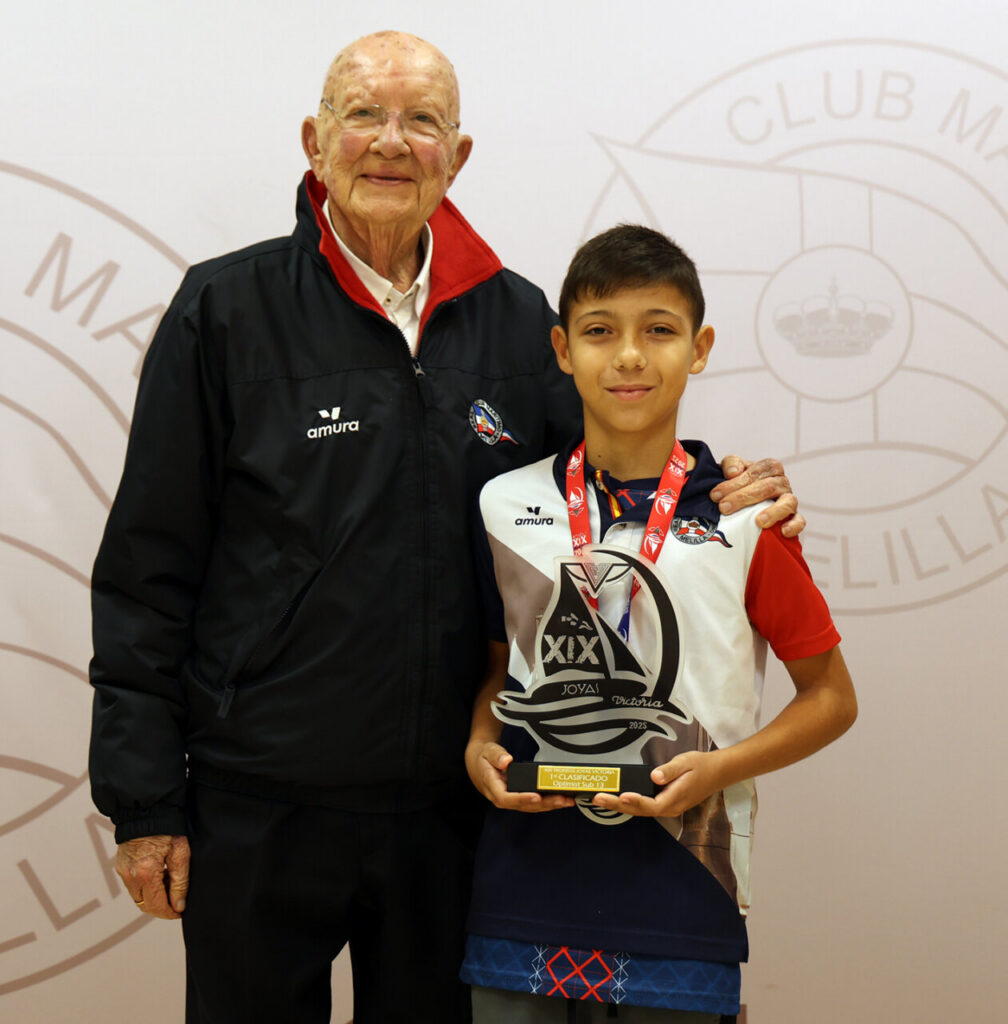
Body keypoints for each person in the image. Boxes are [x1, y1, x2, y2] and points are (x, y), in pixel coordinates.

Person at [88, 31, 804, 1024]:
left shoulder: (518, 325)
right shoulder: (226, 311)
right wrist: (146, 802)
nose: (391, 142)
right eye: (363, 115)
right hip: (259, 800)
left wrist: (729, 485)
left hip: (454, 813)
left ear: (456, 155)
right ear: (315, 140)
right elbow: (146, 570)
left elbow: (608, 487)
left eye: (421, 120)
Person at [462, 224, 858, 1022]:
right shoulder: (504, 503)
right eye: (601, 331)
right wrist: (478, 742)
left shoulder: (745, 517)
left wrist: (718, 769)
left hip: (686, 882)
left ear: (700, 347)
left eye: (660, 330)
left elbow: (831, 699)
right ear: (563, 349)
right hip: (526, 877)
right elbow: (501, 661)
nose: (631, 356)